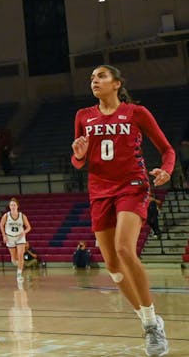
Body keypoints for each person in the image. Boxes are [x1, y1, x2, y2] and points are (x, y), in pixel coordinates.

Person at [71, 65, 175, 357]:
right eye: (92, 78)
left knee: (124, 249)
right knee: (113, 267)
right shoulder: (83, 116)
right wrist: (79, 155)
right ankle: (148, 321)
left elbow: (167, 150)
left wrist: (166, 170)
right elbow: (78, 161)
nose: (94, 80)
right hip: (99, 191)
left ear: (117, 83)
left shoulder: (136, 113)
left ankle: (152, 324)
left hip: (132, 185)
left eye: (101, 76)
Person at [0, 197, 31, 281]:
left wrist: (24, 232)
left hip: (20, 238)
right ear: (9, 206)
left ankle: (19, 274)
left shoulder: (22, 216)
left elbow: (29, 227)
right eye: (11, 205)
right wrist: (4, 235)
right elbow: (1, 225)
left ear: (17, 206)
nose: (13, 206)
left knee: (20, 255)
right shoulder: (6, 216)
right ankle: (19, 264)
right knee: (14, 260)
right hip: (10, 238)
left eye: (14, 205)